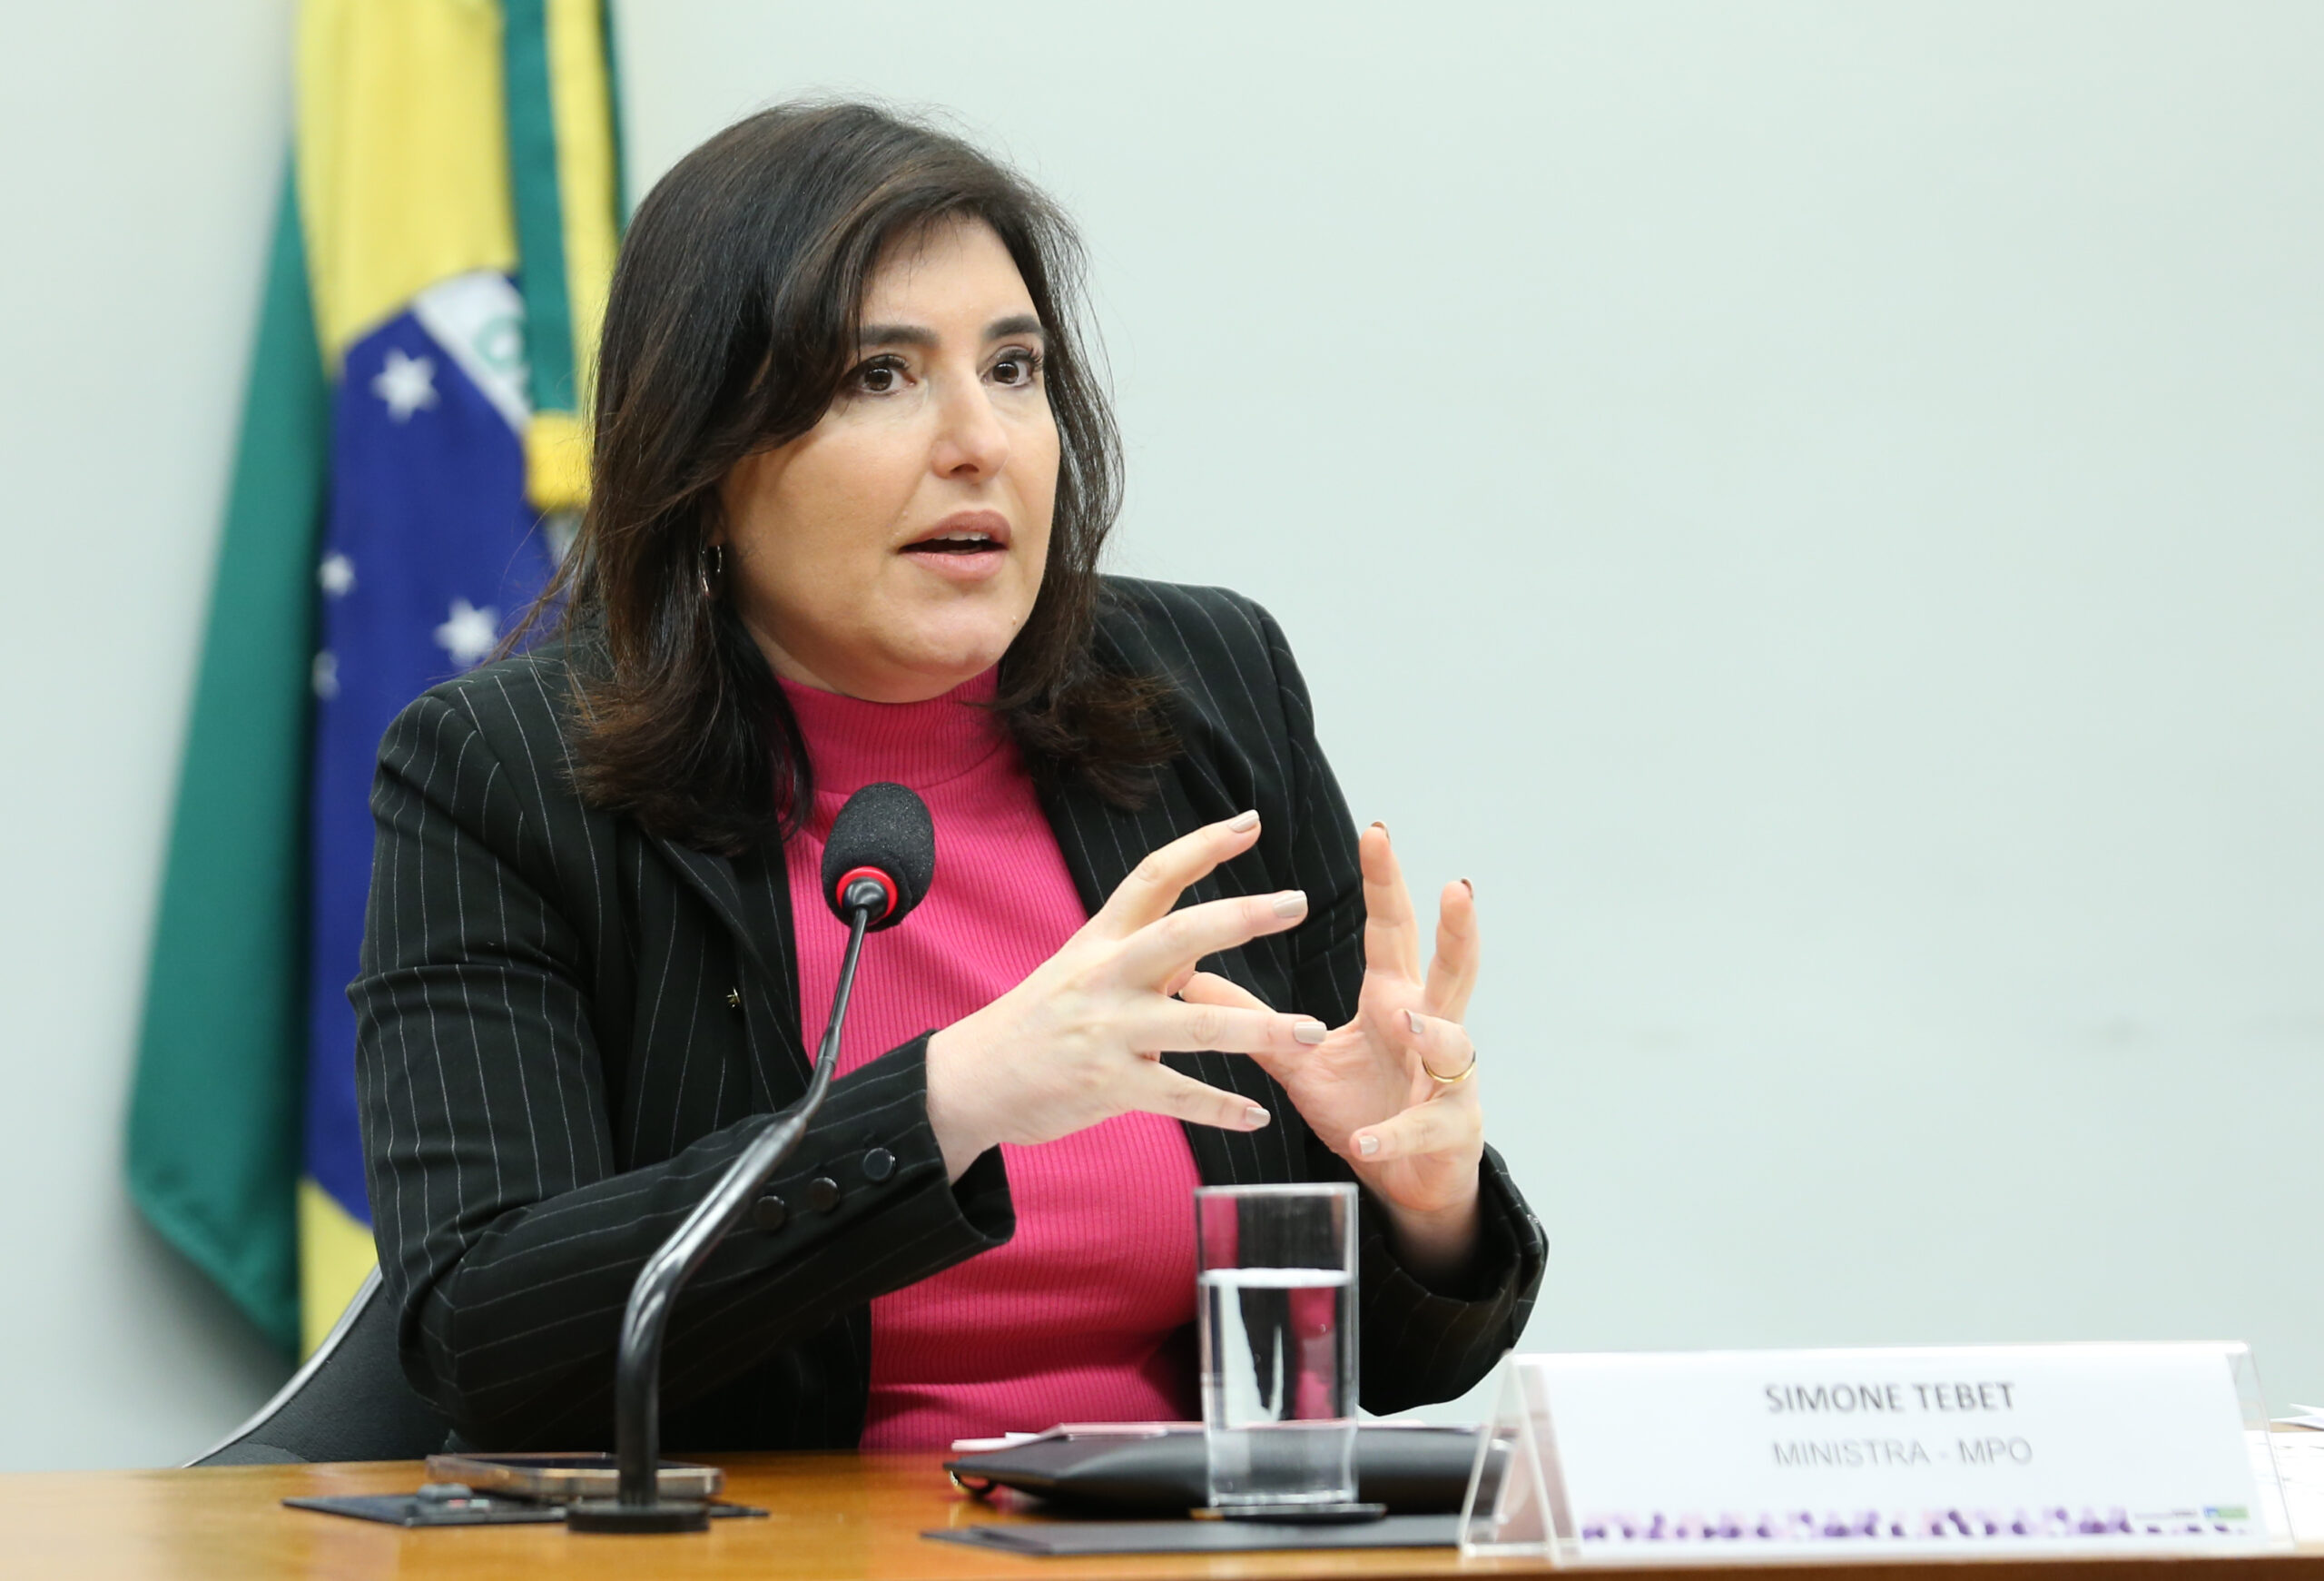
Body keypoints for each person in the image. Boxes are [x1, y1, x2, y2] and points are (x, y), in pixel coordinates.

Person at [353, 101, 1545, 1452]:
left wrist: (1420, 1196)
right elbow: (482, 1334)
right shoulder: (508, 773)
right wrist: (953, 1095)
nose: (979, 440)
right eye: (880, 374)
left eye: (1017, 367)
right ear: (704, 460)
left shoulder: (1207, 688)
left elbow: (1394, 1361)